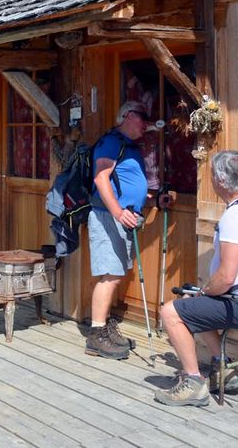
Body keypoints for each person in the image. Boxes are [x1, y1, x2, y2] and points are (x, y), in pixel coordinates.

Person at [154, 150, 238, 407]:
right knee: (191, 305)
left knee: (170, 313)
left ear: (220, 181)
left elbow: (226, 276)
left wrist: (204, 292)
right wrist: (201, 294)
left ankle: (194, 383)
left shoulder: (237, 215)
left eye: (211, 175)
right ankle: (225, 368)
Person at [84, 100, 151, 359]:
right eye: (141, 117)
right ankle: (97, 336)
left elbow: (127, 184)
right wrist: (118, 212)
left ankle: (105, 326)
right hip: (107, 216)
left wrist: (153, 200)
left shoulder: (128, 146)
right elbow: (101, 177)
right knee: (110, 273)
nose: (146, 122)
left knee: (115, 273)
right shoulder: (112, 141)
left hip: (119, 217)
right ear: (126, 116)